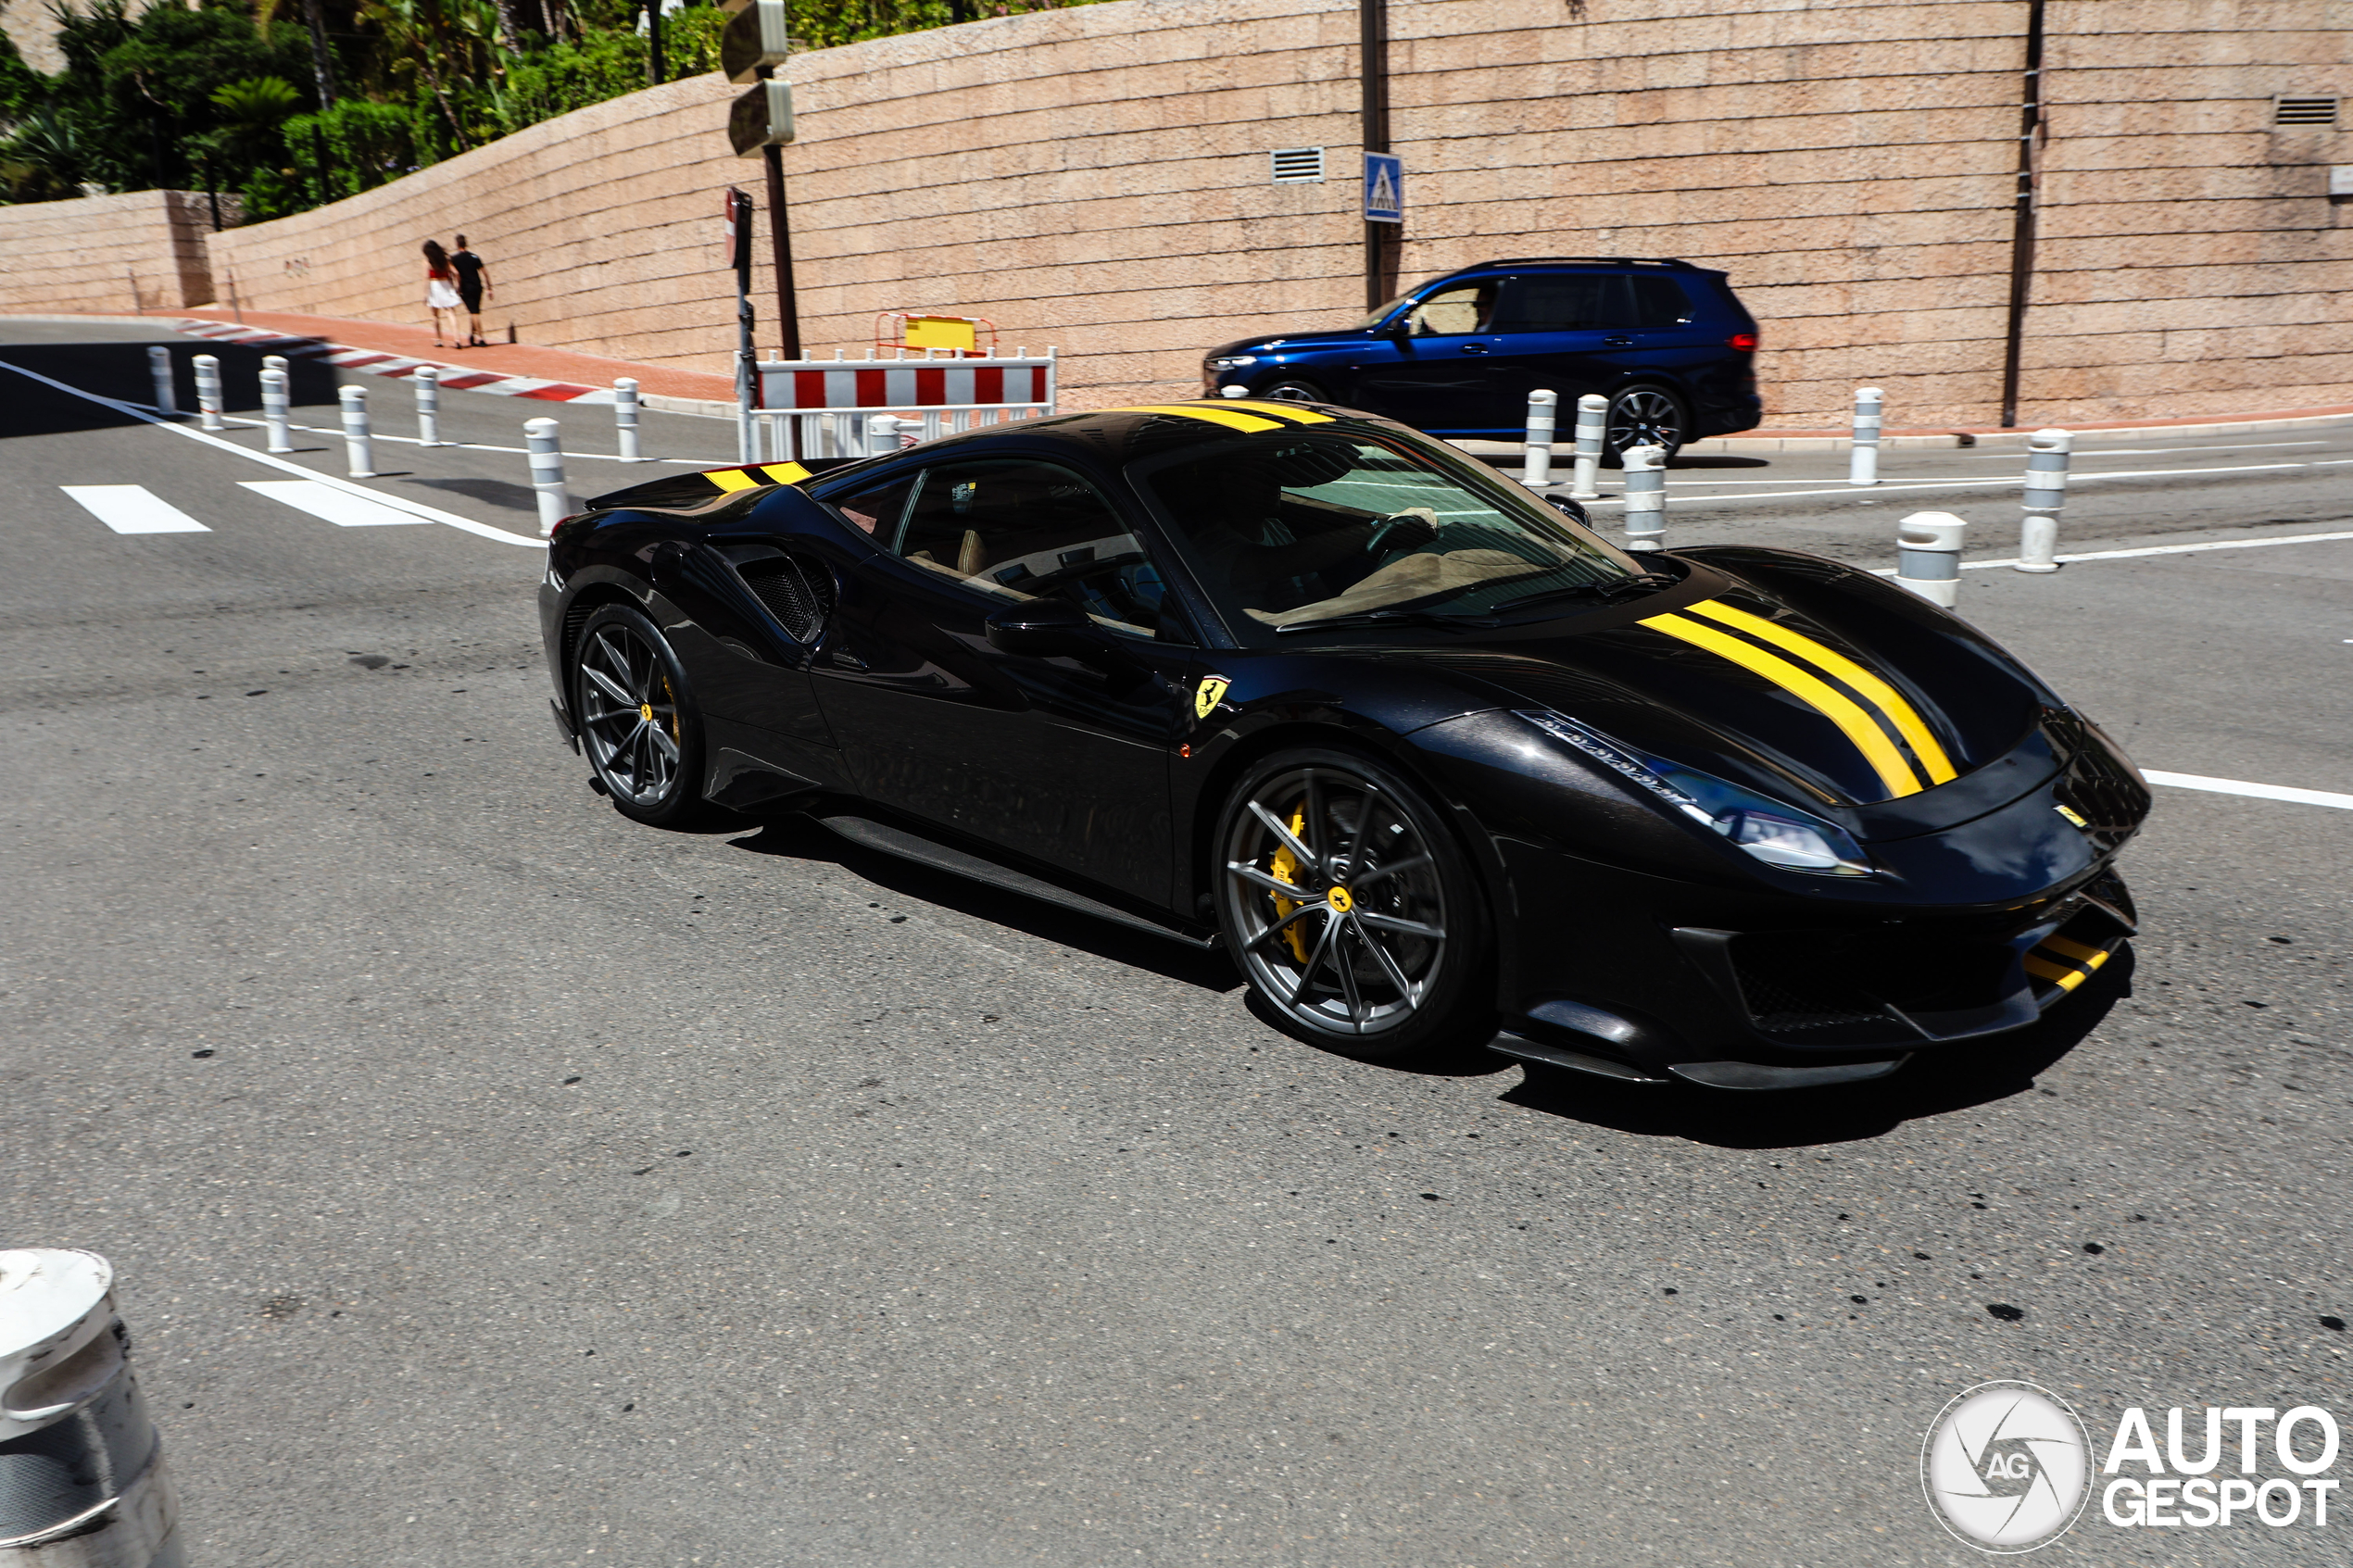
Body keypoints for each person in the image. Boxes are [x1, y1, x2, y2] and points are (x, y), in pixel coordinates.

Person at [449, 234, 492, 349]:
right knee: (474, 310)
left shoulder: (454, 259)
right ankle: (472, 336)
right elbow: (485, 273)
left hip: (466, 288)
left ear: (457, 244)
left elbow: (455, 274)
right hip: (478, 287)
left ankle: (481, 338)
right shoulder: (474, 257)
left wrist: (458, 287)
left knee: (474, 312)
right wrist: (489, 288)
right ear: (465, 243)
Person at [422, 239, 462, 348]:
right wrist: (457, 285)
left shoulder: (427, 262)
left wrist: (425, 294)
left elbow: (426, 278)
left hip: (434, 287)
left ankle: (438, 339)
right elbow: (456, 273)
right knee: (451, 313)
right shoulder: (445, 260)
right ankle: (457, 339)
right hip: (446, 285)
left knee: (435, 315)